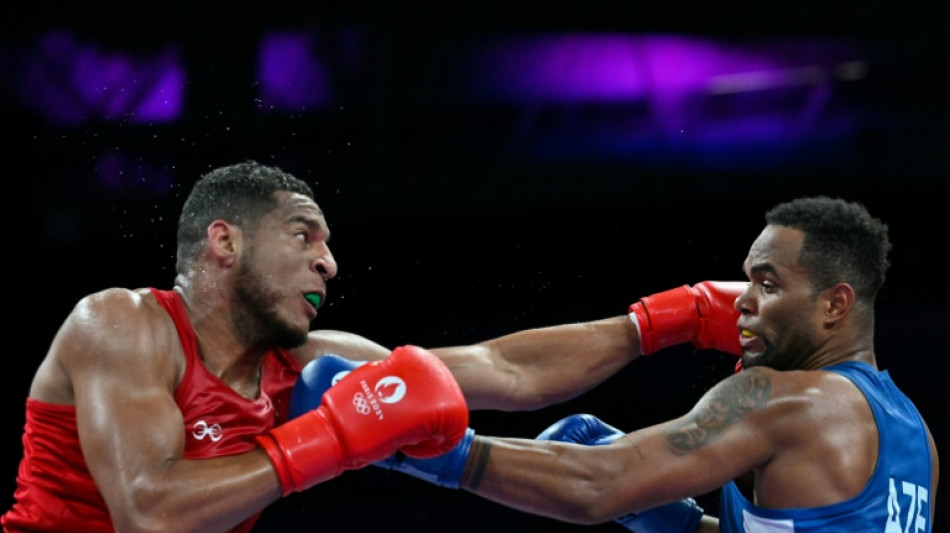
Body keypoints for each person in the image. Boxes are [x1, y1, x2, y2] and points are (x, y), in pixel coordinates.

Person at [3, 159, 748, 532]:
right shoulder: (123, 324)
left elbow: (506, 370)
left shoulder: (303, 359)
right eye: (304, 233)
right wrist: (326, 438)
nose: (329, 261)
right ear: (223, 241)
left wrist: (664, 320)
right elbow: (149, 512)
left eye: (328, 243)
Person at [293, 196, 940, 531]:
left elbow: (596, 485)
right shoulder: (914, 434)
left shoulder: (785, 397)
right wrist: (683, 524)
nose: (742, 301)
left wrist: (437, 452)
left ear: (836, 305)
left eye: (768, 284)